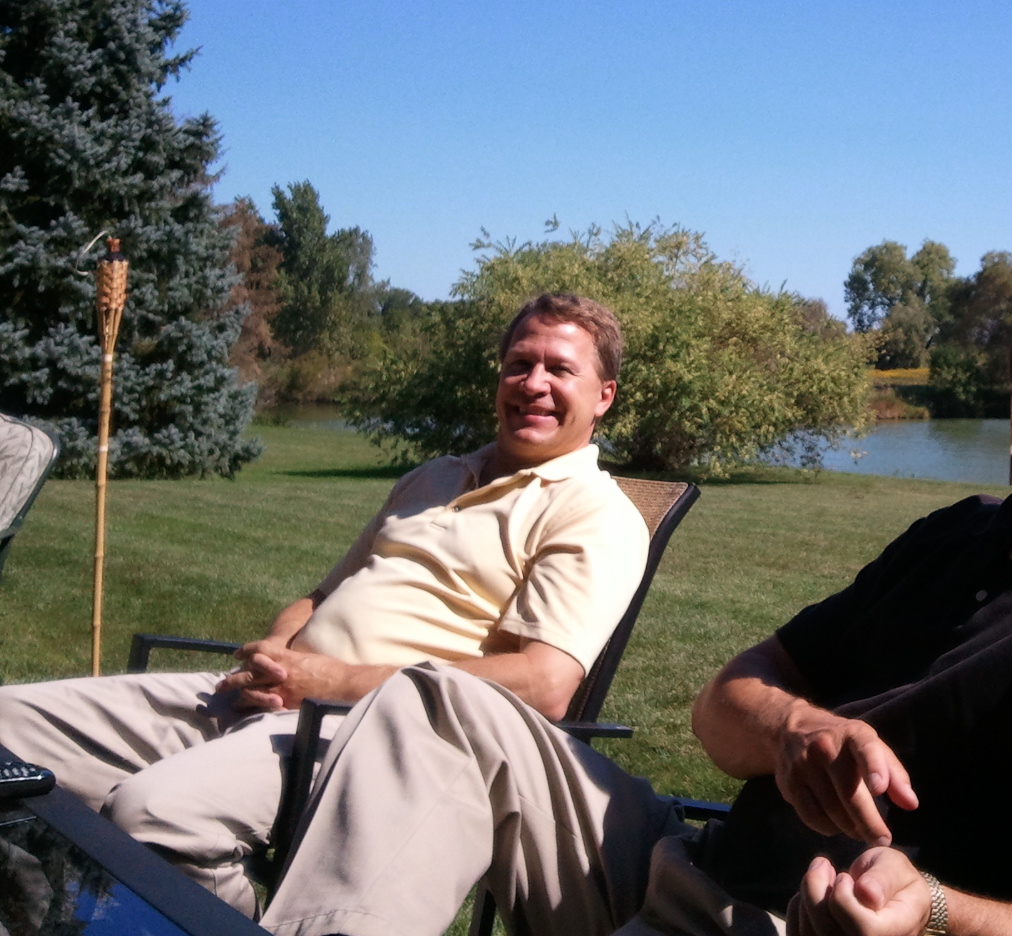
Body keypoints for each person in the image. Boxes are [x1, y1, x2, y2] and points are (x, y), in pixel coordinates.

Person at [261, 227, 1012, 936]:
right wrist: (795, 729)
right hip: (678, 868)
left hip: (779, 925)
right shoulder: (960, 536)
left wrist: (934, 912)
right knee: (438, 701)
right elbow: (723, 706)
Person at [0, 293, 648, 917]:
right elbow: (321, 597)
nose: (534, 383)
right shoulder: (434, 478)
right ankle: (37, 916)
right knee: (7, 730)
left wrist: (331, 683)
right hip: (265, 695)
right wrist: (276, 652)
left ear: (603, 396)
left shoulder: (594, 512)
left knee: (153, 816)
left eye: (560, 369)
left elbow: (543, 685)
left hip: (376, 738)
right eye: (520, 364)